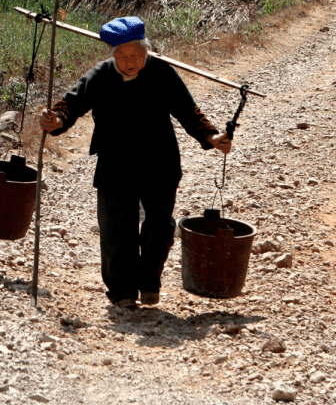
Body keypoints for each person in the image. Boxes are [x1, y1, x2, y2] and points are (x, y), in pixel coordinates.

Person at [38, 17, 231, 309]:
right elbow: (70, 104)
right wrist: (55, 121)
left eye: (136, 54)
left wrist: (212, 136)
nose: (130, 61)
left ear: (147, 50)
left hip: (160, 161)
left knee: (160, 225)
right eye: (123, 56)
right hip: (115, 163)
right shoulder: (100, 76)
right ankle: (122, 291)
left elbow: (188, 110)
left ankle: (149, 282)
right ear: (112, 55)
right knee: (116, 226)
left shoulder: (163, 73)